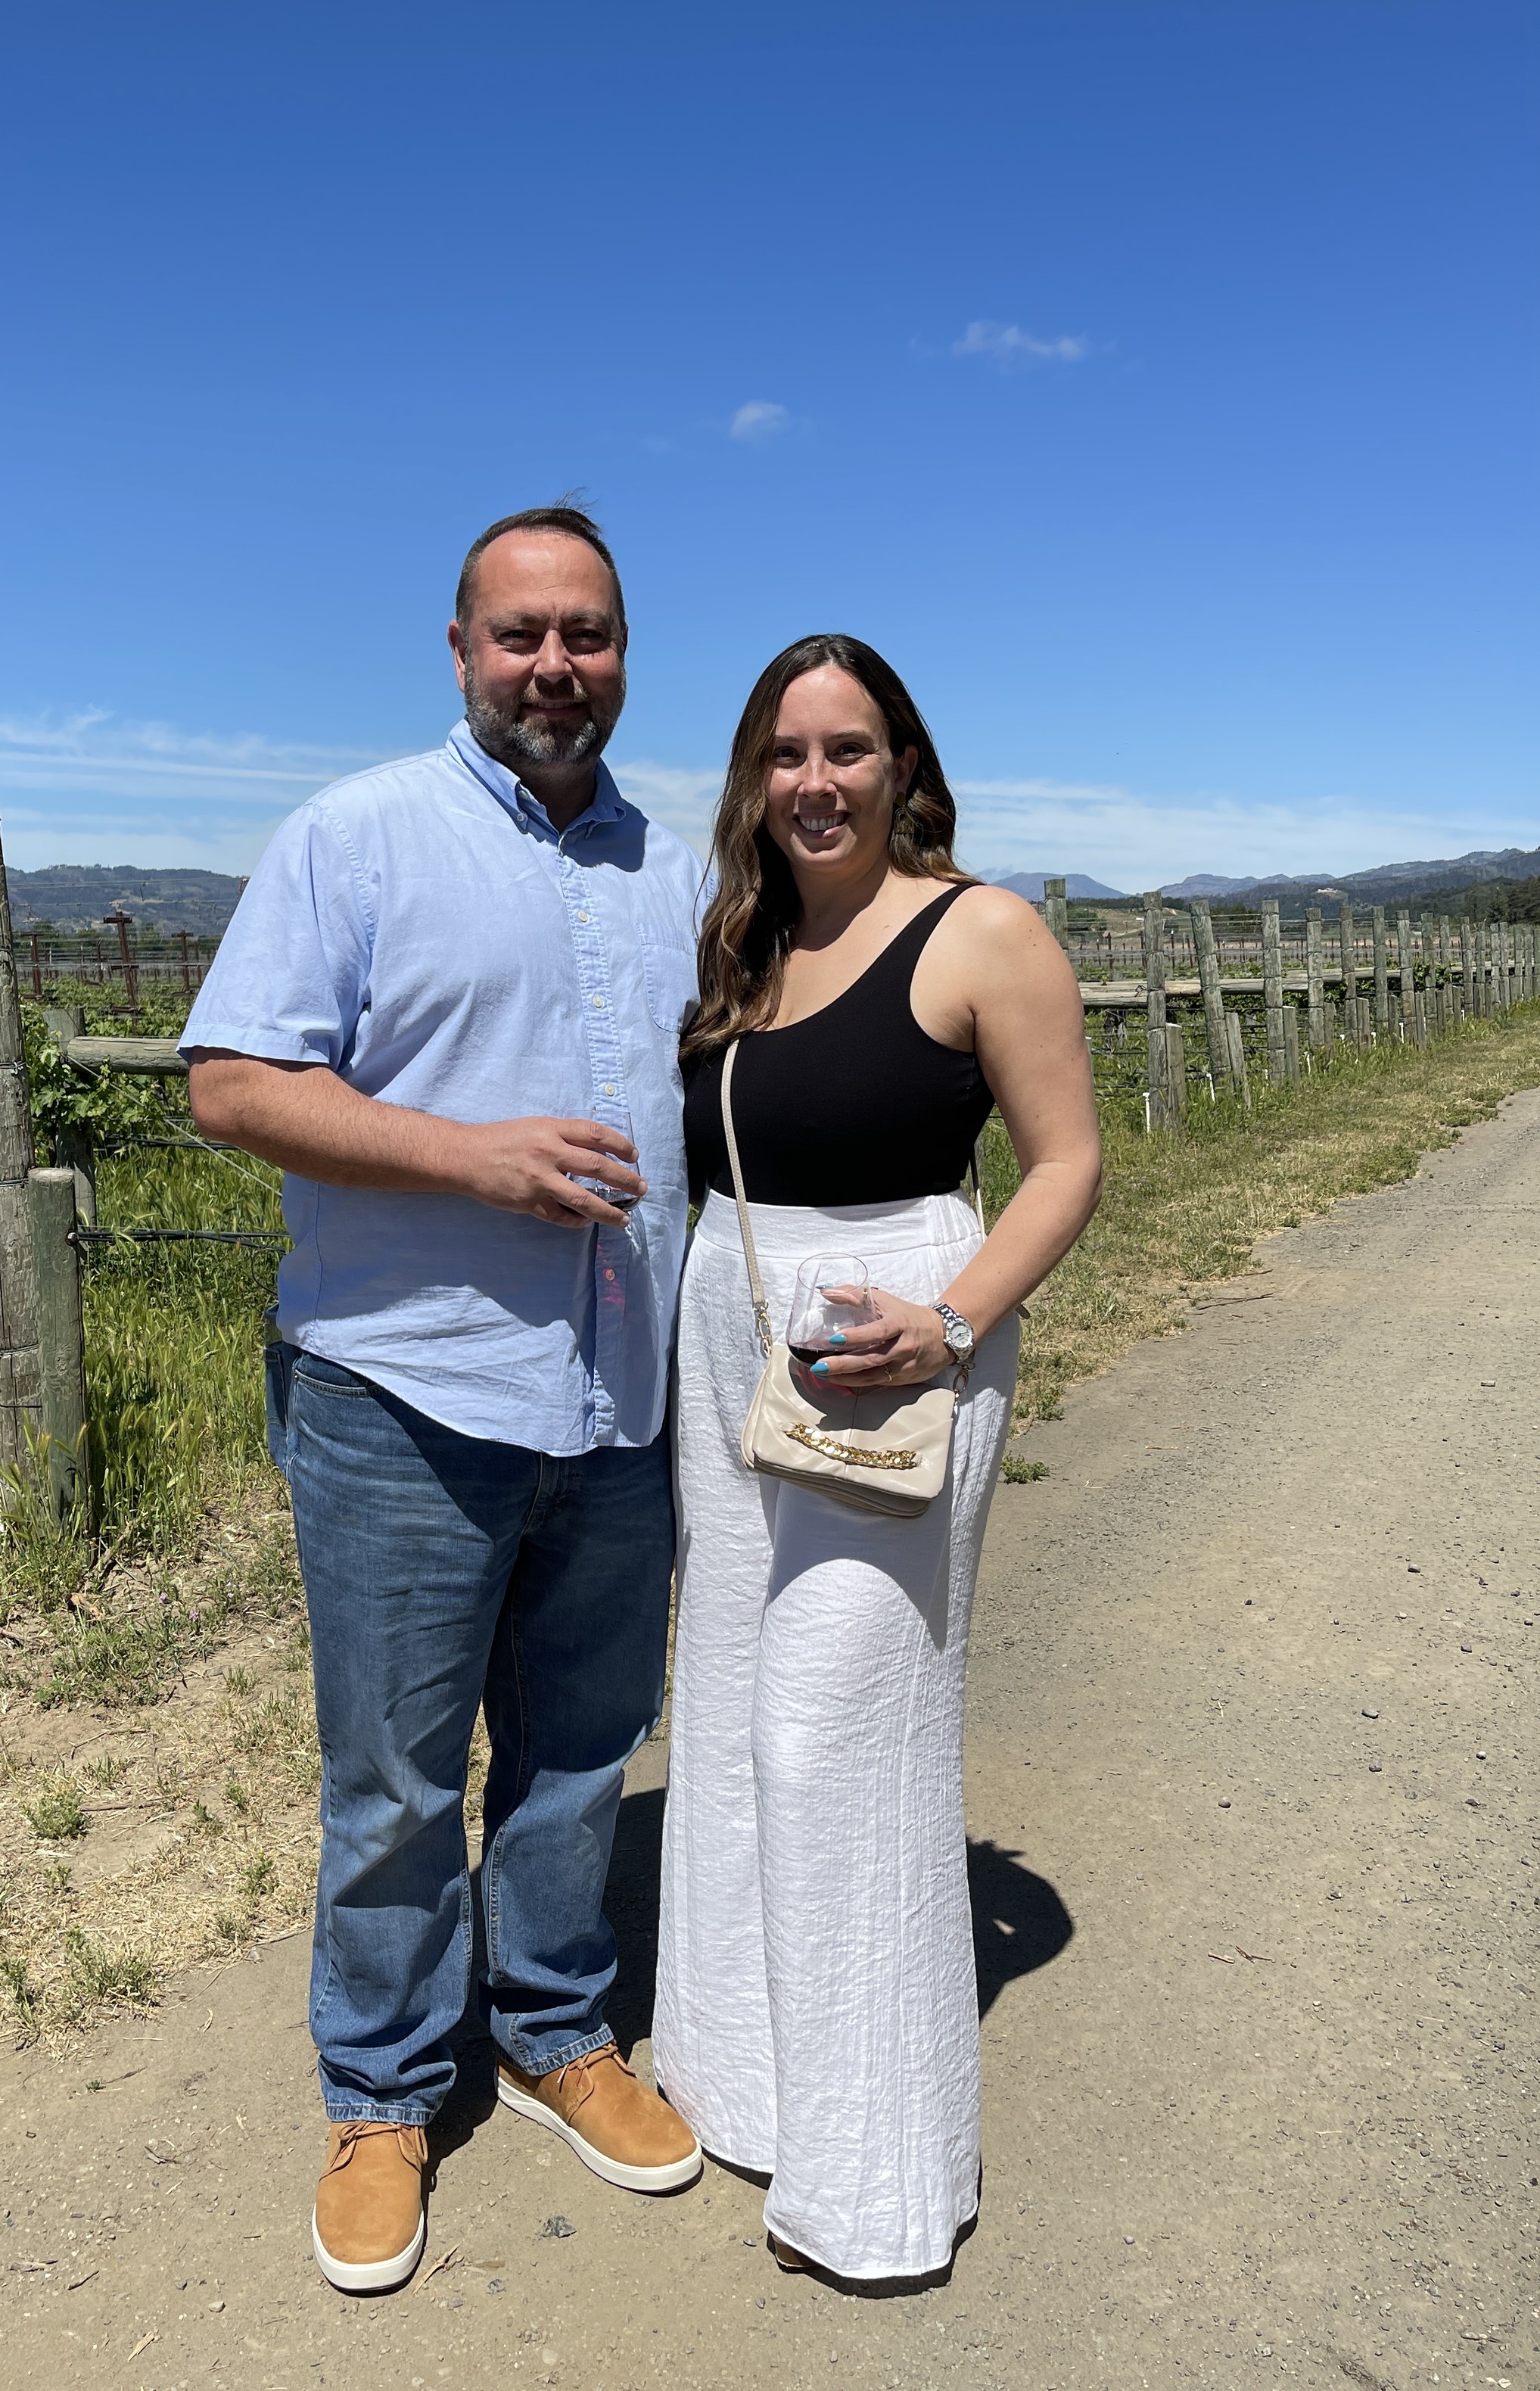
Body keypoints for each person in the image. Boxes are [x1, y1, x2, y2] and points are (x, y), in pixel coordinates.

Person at [181, 506, 705, 2296]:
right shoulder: (355, 834)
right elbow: (234, 1084)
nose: (555, 665)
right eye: (520, 635)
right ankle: (384, 2084)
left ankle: (556, 2028)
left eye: (589, 633)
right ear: (462, 649)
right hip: (405, 1394)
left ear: (624, 648)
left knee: (577, 1749)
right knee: (394, 1778)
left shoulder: (678, 864)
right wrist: (462, 1158)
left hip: (618, 1392)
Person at [654, 634, 1101, 2284]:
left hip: (891, 1338)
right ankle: (751, 2083)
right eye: (785, 752)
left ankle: (873, 2170)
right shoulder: (747, 935)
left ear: (901, 764)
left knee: (831, 1723)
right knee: (721, 1688)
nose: (814, 781)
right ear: (751, 778)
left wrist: (954, 1323)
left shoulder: (978, 928)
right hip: (732, 1315)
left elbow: (1065, 1162)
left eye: (846, 749)